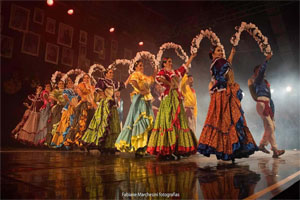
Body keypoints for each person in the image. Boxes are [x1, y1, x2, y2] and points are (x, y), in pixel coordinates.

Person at [198, 46, 258, 162]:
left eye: (222, 50)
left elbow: (227, 64)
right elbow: (226, 66)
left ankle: (229, 150)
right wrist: (231, 55)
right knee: (226, 120)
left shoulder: (218, 62)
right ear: (213, 54)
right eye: (218, 50)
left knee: (228, 120)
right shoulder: (218, 62)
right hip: (223, 94)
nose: (221, 52)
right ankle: (228, 150)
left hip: (224, 93)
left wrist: (232, 53)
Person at [147, 54, 198, 160]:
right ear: (164, 63)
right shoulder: (163, 72)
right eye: (169, 61)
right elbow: (158, 78)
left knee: (179, 122)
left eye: (171, 61)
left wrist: (192, 57)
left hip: (176, 98)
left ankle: (178, 149)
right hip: (168, 97)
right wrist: (169, 83)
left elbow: (184, 67)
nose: (171, 63)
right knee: (168, 121)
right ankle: (167, 150)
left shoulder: (175, 72)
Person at [81, 68, 129, 153]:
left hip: (112, 105)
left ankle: (109, 145)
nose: (111, 74)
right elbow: (100, 92)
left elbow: (123, 85)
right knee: (102, 122)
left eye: (112, 73)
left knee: (113, 124)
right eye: (110, 72)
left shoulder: (114, 83)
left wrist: (131, 76)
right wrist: (106, 99)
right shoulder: (102, 81)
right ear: (106, 74)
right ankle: (98, 143)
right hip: (106, 104)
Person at [115, 60, 156, 157]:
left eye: (142, 65)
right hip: (139, 98)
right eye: (140, 65)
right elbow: (132, 81)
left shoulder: (144, 76)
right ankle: (138, 147)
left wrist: (155, 71)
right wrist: (140, 90)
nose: (142, 67)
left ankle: (144, 147)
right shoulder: (135, 74)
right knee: (139, 118)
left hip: (146, 100)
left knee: (146, 120)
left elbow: (151, 80)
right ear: (136, 67)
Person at [248, 54, 285, 158]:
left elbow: (270, 98)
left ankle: (266, 146)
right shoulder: (258, 80)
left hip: (267, 104)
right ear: (256, 72)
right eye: (259, 70)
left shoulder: (265, 82)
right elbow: (261, 71)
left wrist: (272, 111)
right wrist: (266, 60)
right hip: (261, 103)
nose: (263, 72)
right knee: (270, 126)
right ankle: (272, 148)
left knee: (271, 127)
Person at [64, 74, 95, 149]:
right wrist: (88, 98)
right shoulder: (80, 85)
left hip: (90, 105)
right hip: (83, 104)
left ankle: (85, 141)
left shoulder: (92, 87)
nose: (86, 79)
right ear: (83, 79)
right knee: (80, 121)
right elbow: (83, 97)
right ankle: (76, 140)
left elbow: (93, 96)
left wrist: (92, 102)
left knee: (88, 122)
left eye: (88, 78)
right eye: (85, 78)